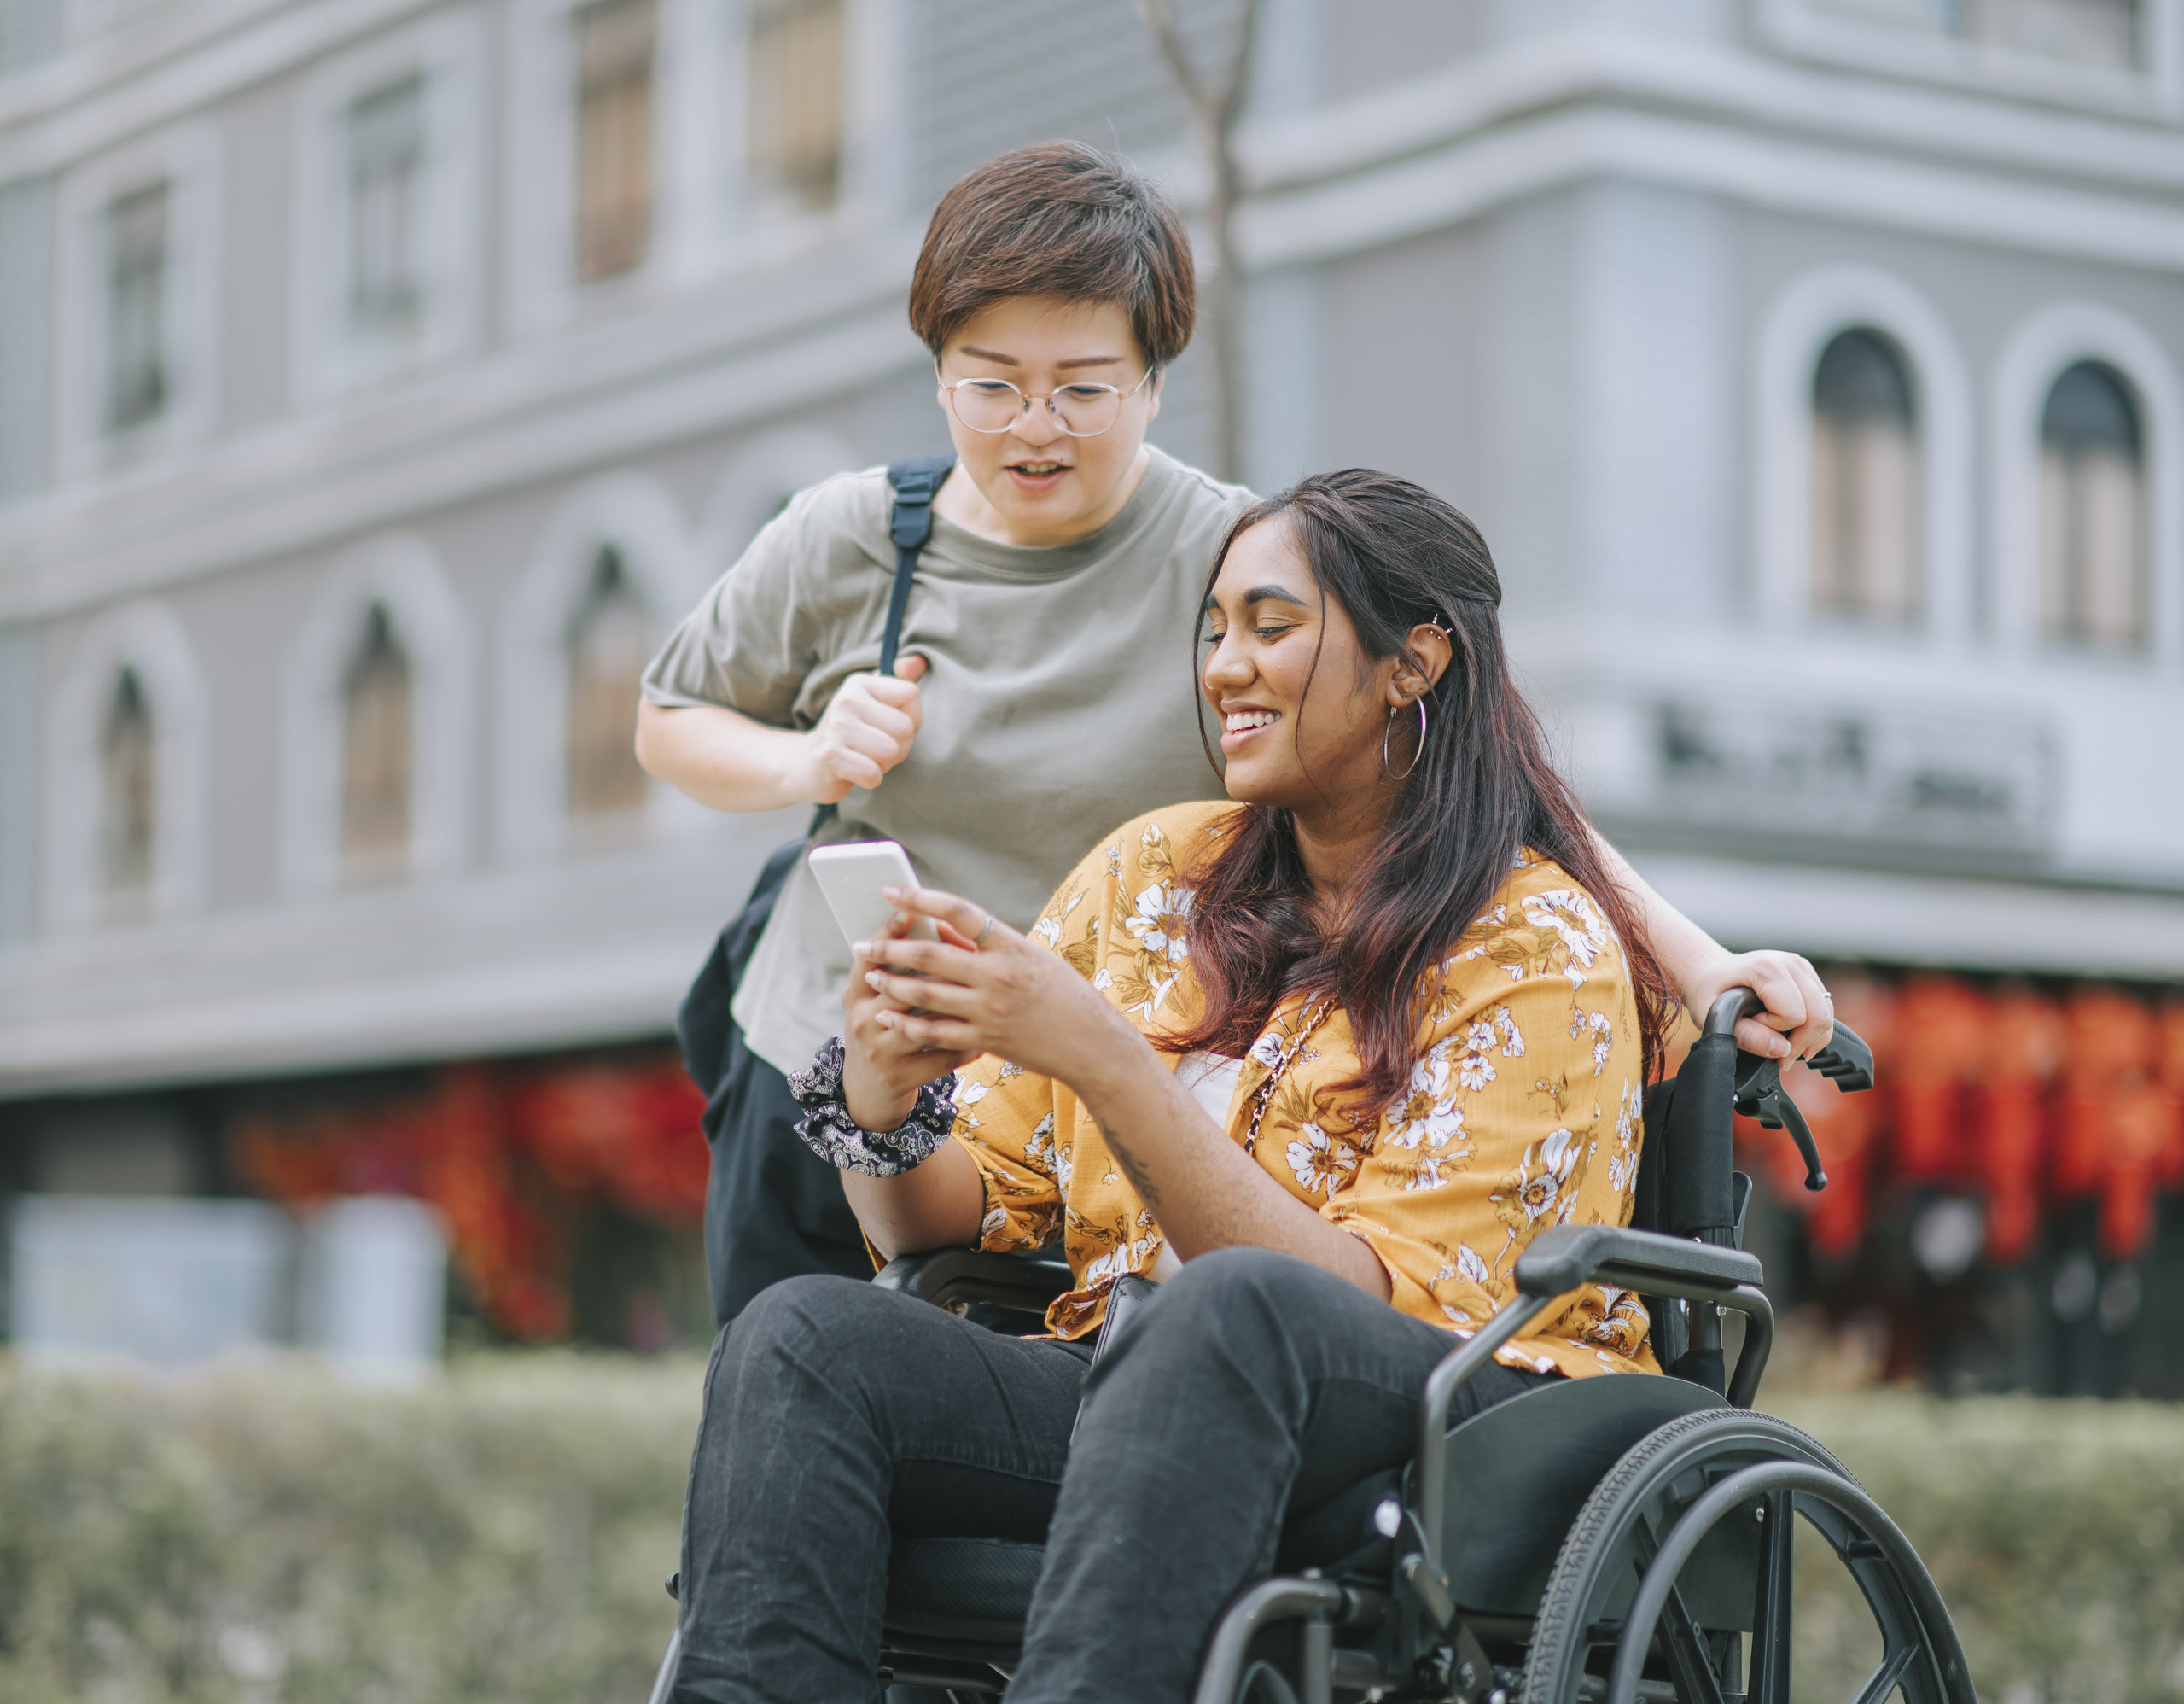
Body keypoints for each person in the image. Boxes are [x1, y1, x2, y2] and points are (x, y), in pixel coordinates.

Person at [638, 142, 1832, 1327]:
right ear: (939, 374)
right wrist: (809, 760)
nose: (1034, 427)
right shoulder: (851, 536)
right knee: (784, 1384)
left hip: (1074, 1102)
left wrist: (1702, 965)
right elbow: (667, 719)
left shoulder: (1233, 566)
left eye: (1085, 386)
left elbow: (1477, 773)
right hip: (844, 1047)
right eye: (989, 383)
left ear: (1155, 384)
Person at [670, 470, 1718, 1704]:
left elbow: (1370, 1306)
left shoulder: (1533, 946)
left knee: (1227, 1315)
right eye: (1214, 630)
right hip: (1142, 1393)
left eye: (1273, 626)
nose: (1225, 666)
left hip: (1450, 1421)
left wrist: (1108, 1062)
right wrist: (884, 1102)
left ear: (1414, 663)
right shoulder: (1150, 875)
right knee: (803, 1337)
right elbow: (955, 1216)